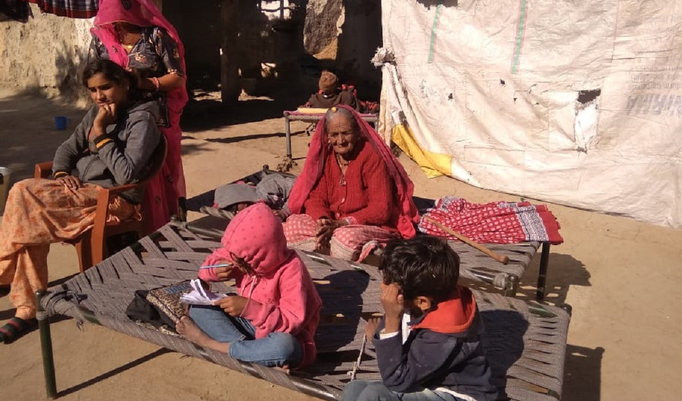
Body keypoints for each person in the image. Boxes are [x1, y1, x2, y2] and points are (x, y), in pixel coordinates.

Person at [0, 59, 161, 343]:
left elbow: (126, 174)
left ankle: (1, 279)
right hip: (79, 194)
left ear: (123, 83)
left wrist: (100, 134)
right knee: (26, 210)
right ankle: (25, 307)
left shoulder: (142, 119)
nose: (99, 97)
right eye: (92, 90)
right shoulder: (96, 111)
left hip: (112, 200)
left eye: (106, 87)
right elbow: (67, 148)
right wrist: (61, 172)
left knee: (23, 195)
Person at [342, 235, 497, 401]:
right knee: (354, 389)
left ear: (422, 301)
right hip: (426, 381)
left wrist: (391, 322)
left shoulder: (444, 334)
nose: (383, 289)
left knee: (374, 396)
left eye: (392, 289)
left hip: (456, 394)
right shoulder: (424, 294)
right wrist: (387, 326)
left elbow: (397, 380)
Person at [89, 0, 188, 230]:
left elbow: (177, 78)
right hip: (117, 119)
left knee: (159, 173)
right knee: (121, 170)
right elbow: (93, 77)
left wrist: (144, 82)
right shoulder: (101, 40)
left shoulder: (156, 35)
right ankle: (129, 232)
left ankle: (167, 229)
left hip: (156, 119)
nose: (116, 6)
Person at [176, 203, 322, 370]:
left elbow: (291, 322)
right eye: (234, 258)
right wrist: (215, 270)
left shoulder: (293, 271)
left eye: (241, 261)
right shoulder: (239, 252)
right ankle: (256, 355)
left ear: (262, 256)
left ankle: (212, 344)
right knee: (197, 308)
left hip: (285, 333)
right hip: (249, 325)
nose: (235, 263)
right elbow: (207, 268)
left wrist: (249, 308)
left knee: (285, 347)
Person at [283, 105, 419, 262]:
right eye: (334, 135)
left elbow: (381, 208)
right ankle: (323, 253)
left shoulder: (372, 157)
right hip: (334, 221)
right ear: (327, 135)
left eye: (346, 133)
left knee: (343, 239)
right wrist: (323, 220)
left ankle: (346, 265)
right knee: (292, 226)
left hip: (366, 225)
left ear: (357, 132)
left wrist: (343, 223)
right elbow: (315, 197)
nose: (340, 141)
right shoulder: (326, 157)